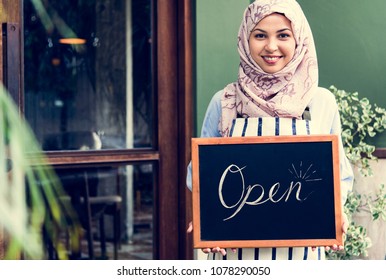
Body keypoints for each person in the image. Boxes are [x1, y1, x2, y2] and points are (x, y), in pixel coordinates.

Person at [186, 0, 354, 260]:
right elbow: (200, 175)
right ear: (245, 39)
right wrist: (205, 219)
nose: (271, 46)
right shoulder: (225, 100)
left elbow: (339, 176)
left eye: (283, 35)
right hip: (234, 258)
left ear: (299, 39)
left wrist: (336, 216)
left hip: (303, 258)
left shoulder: (320, 101)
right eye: (260, 35)